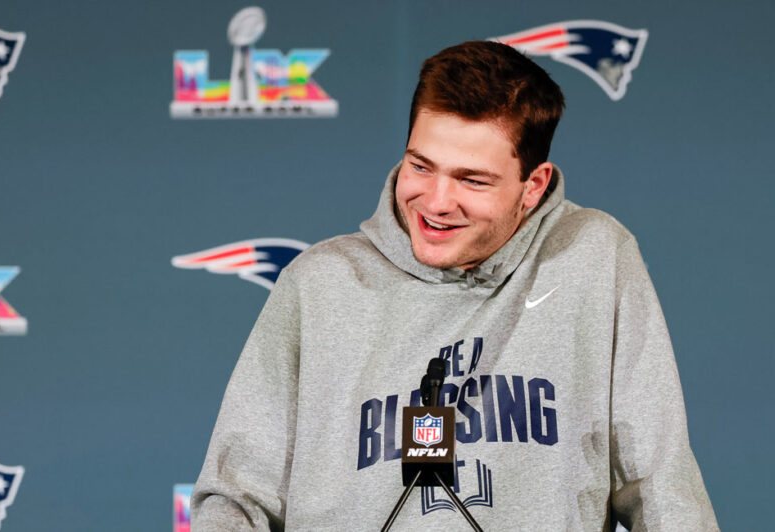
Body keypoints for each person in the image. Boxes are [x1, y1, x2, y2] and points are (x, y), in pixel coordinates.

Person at [191, 40, 719, 531]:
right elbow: (236, 499)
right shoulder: (318, 284)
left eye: (472, 180)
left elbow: (659, 485)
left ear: (533, 185)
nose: (437, 202)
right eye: (421, 166)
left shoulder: (593, 257)